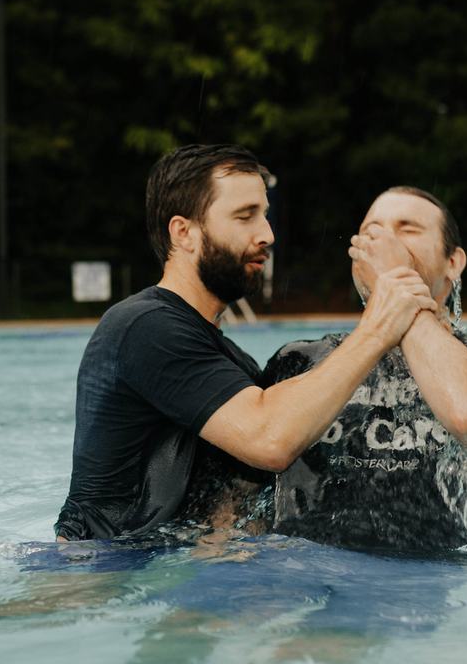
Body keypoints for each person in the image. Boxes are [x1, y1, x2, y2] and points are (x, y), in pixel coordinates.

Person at [55, 145, 438, 541]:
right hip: (98, 571)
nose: (267, 234)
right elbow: (269, 439)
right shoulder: (144, 326)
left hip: (159, 573)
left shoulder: (227, 361)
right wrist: (378, 327)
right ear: (183, 232)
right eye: (245, 216)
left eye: (265, 215)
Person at [261, 186, 467, 553]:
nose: (384, 244)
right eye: (372, 233)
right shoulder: (301, 359)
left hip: (444, 585)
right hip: (304, 572)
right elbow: (243, 492)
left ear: (454, 263)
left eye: (407, 229)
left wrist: (396, 286)